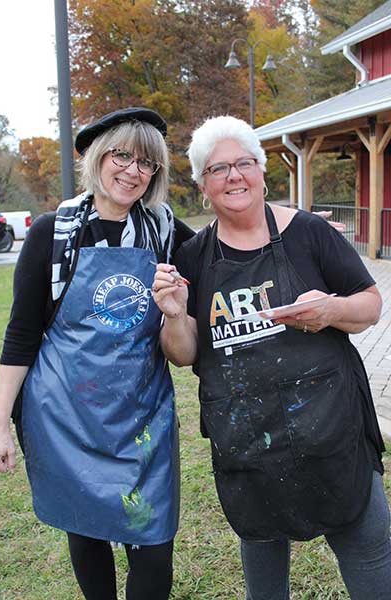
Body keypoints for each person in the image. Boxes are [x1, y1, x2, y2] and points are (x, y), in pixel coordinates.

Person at [152, 115, 391, 600]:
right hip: (246, 440)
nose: (233, 176)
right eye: (218, 169)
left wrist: (331, 310)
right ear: (203, 186)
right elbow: (184, 355)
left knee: (368, 549)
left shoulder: (309, 233)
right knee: (262, 555)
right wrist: (175, 316)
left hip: (332, 430)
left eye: (243, 163)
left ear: (262, 171)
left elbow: (370, 304)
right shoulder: (195, 256)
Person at [0, 107, 194, 600]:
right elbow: (21, 334)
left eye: (146, 162)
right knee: (85, 532)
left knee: (153, 538)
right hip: (65, 417)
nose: (132, 170)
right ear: (98, 158)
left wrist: (287, 227)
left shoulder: (164, 231)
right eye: (121, 155)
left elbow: (226, 251)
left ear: (156, 174)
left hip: (141, 417)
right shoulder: (52, 233)